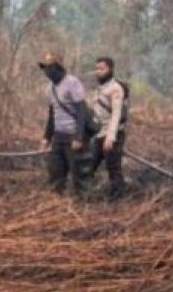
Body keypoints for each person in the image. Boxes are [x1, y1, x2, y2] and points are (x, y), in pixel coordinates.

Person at [39, 50, 89, 197]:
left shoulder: (72, 82)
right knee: (55, 171)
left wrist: (78, 137)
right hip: (58, 136)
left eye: (51, 66)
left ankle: (82, 202)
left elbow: (81, 110)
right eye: (45, 67)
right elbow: (52, 115)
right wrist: (46, 138)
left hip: (73, 135)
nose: (48, 71)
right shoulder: (49, 88)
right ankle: (57, 199)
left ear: (59, 67)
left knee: (78, 173)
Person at [87, 56, 128, 198]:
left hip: (112, 134)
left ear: (110, 69)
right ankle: (83, 194)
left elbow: (116, 114)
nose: (98, 71)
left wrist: (110, 138)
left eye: (102, 69)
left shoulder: (115, 88)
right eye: (97, 68)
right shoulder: (100, 88)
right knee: (89, 164)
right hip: (98, 134)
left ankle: (118, 198)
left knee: (113, 168)